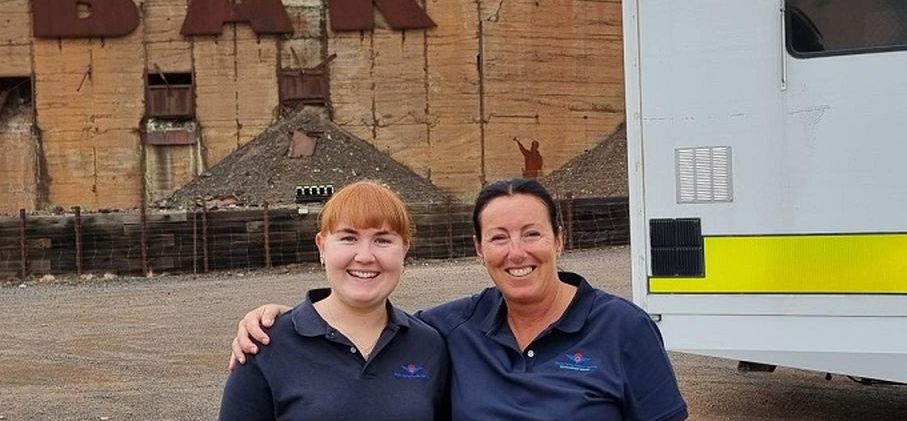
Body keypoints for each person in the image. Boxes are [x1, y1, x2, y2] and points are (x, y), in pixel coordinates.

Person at [230, 178, 687, 420]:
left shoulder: (623, 327)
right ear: (478, 249)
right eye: (499, 237)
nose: (517, 252)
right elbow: (353, 319)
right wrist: (277, 319)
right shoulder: (448, 330)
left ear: (559, 240)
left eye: (532, 233)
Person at [218, 181, 449, 420]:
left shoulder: (428, 345)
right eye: (349, 238)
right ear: (322, 247)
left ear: (404, 250)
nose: (365, 256)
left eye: (382, 240)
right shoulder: (266, 344)